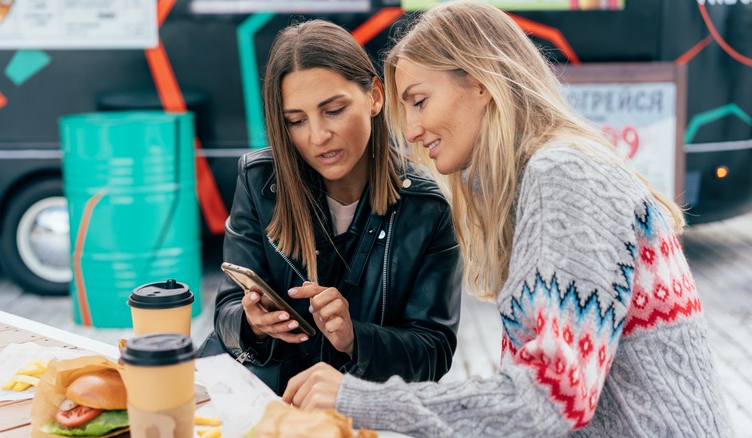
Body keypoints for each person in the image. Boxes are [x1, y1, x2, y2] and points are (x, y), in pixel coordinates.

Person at [282, 2, 733, 436]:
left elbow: (550, 398)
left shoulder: (566, 174)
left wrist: (358, 399)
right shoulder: (539, 179)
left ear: (481, 81)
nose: (413, 130)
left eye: (419, 101)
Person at [202, 20, 462, 395]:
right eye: (296, 120)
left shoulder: (426, 206)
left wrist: (357, 338)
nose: (318, 136)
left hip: (357, 413)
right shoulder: (260, 181)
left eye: (334, 110)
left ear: (374, 96)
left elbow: (434, 353)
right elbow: (226, 308)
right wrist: (251, 323)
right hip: (256, 401)